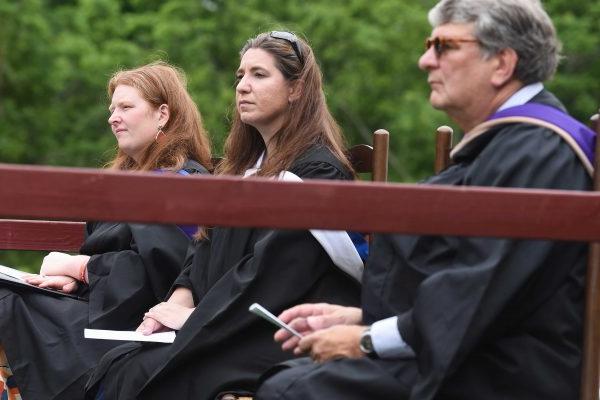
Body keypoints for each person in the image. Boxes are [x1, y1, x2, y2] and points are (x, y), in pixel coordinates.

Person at [256, 1, 596, 399]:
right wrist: (366, 317)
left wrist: (368, 338)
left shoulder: (538, 152)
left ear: (502, 63)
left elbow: (481, 291)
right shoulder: (507, 145)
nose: (424, 60)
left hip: (503, 374)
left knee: (290, 390)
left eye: (444, 46)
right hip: (470, 355)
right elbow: (465, 281)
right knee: (283, 373)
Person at [84, 31, 362, 400]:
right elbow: (203, 248)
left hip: (280, 329)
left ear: (296, 89)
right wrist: (175, 304)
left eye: (259, 75)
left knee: (146, 372)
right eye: (240, 76)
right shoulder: (244, 168)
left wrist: (197, 319)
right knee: (121, 361)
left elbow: (274, 273)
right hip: (231, 323)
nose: (243, 87)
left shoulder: (317, 172)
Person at [0, 61, 213, 400]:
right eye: (113, 108)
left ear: (162, 114)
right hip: (98, 308)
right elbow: (116, 257)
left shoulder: (181, 184)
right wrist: (74, 279)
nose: (112, 117)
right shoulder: (131, 182)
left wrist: (78, 267)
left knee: (5, 302)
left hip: (134, 326)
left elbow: (161, 274)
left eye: (126, 107)